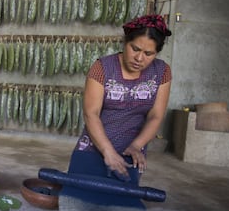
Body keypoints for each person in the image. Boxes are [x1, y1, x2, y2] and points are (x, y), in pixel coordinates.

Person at [69, 14, 172, 187]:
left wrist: (136, 146)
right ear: (125, 42)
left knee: (118, 205)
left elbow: (155, 116)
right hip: (94, 146)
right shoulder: (102, 68)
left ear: (157, 53)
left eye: (148, 53)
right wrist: (107, 151)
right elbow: (91, 114)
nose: (139, 58)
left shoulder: (162, 72)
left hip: (130, 151)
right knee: (78, 198)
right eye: (135, 49)